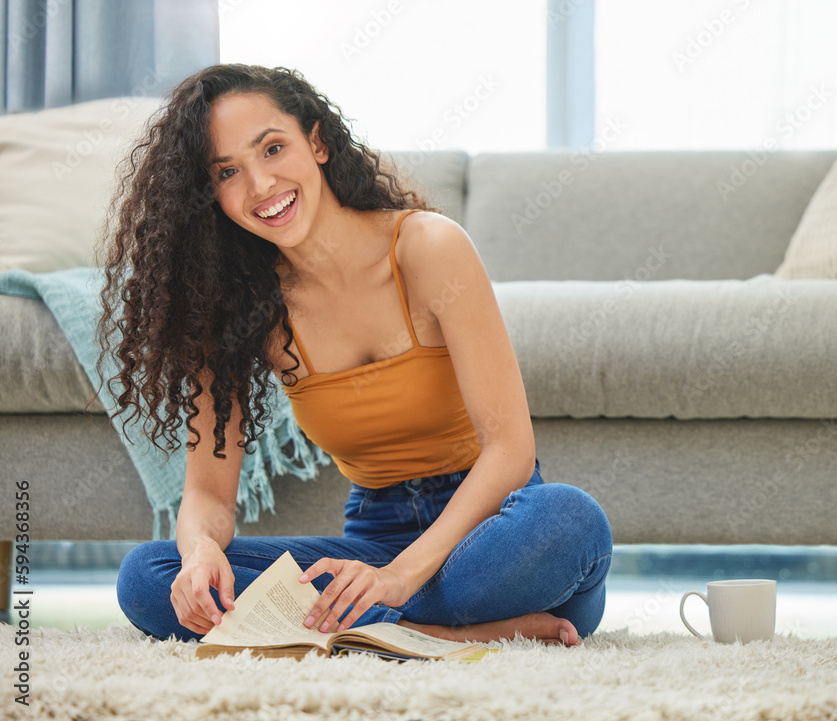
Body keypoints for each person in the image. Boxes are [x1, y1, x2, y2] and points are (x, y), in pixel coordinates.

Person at [99, 63, 613, 647]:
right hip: (373, 537)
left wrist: (398, 577)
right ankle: (435, 635)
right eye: (227, 171)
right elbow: (208, 495)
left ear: (317, 142)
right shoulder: (237, 307)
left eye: (272, 148)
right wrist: (198, 555)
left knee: (569, 519)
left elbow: (512, 451)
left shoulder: (428, 248)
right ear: (207, 193)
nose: (261, 184)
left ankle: (377, 626)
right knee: (149, 576)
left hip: (494, 532)